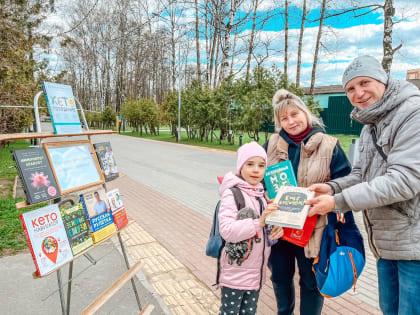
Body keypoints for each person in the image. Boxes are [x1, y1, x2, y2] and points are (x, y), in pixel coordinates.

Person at [306, 55, 420, 315]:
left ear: (382, 79)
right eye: (350, 88)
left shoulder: (412, 113)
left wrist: (337, 202)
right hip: (387, 241)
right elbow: (361, 175)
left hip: (414, 244)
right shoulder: (370, 125)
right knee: (389, 309)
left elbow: (403, 180)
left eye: (365, 82)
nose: (359, 93)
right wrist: (333, 188)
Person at [263, 89, 351, 315]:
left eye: (295, 114)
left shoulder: (330, 145)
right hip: (280, 226)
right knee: (280, 276)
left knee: (311, 281)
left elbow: (346, 183)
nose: (291, 121)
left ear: (305, 112)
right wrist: (263, 194)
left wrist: (328, 197)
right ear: (278, 121)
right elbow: (259, 177)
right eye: (284, 118)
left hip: (313, 227)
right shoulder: (272, 143)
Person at [218, 141, 284, 315]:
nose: (256, 170)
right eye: (250, 164)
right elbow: (227, 230)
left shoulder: (261, 194)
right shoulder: (232, 193)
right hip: (236, 273)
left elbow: (263, 233)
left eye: (261, 165)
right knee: (230, 312)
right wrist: (259, 222)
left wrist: (275, 232)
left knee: (249, 312)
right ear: (240, 167)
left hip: (256, 273)